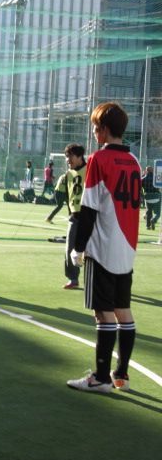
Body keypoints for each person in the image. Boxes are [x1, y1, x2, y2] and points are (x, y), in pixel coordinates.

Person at [67, 102, 140, 393]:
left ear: (105, 129)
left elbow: (89, 209)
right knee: (124, 310)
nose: (94, 132)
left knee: (103, 313)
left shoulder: (99, 159)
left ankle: (100, 378)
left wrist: (78, 247)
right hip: (127, 248)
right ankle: (121, 375)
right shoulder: (133, 160)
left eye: (96, 127)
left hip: (104, 246)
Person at [62, 143, 86, 289]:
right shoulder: (68, 175)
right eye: (66, 157)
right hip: (75, 217)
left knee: (92, 252)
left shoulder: (90, 171)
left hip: (90, 216)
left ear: (79, 156)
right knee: (70, 248)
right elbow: (69, 196)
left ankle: (97, 279)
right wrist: (70, 213)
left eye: (70, 156)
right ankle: (73, 278)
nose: (67, 160)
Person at [141, 165, 160, 231]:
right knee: (157, 213)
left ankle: (148, 226)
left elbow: (140, 189)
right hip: (156, 197)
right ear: (153, 170)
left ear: (146, 171)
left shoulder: (143, 179)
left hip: (147, 198)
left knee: (149, 213)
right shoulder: (156, 178)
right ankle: (153, 220)